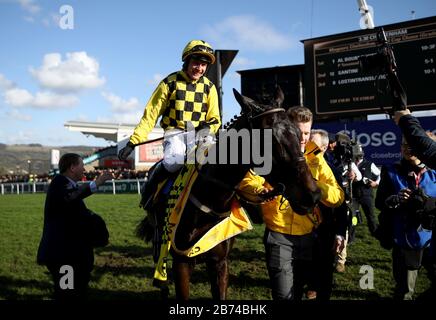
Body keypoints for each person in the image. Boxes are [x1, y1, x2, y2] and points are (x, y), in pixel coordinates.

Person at [238, 107, 344, 300]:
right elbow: (247, 180)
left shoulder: (316, 158)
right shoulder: (271, 154)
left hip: (311, 237)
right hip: (279, 237)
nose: (303, 138)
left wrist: (313, 185)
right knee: (284, 296)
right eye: (298, 132)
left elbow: (338, 196)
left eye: (306, 133)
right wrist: (261, 191)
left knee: (306, 293)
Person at [118, 40, 220, 202]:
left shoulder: (210, 87)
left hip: (201, 133)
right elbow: (150, 115)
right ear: (186, 61)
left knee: (215, 161)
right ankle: (151, 191)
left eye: (203, 65)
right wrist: (133, 142)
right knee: (174, 162)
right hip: (176, 132)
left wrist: (209, 126)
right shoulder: (169, 83)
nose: (199, 68)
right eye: (195, 63)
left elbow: (215, 118)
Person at [37, 153, 113, 300]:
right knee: (67, 294)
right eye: (81, 165)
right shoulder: (60, 183)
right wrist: (96, 183)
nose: (84, 169)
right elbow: (71, 196)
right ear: (72, 167)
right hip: (63, 256)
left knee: (75, 292)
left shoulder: (66, 184)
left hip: (70, 254)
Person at [375, 134, 435, 300]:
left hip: (431, 240)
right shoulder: (391, 170)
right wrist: (395, 199)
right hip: (405, 238)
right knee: (405, 292)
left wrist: (426, 202)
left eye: (413, 145)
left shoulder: (434, 171)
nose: (408, 148)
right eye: (404, 145)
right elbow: (380, 202)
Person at [306, 129, 348, 300]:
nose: (307, 145)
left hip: (325, 230)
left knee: (324, 272)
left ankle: (319, 289)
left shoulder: (333, 171)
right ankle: (311, 285)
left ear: (323, 148)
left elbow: (341, 205)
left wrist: (340, 233)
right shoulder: (298, 164)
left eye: (312, 143)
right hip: (301, 230)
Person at [351, 144, 381, 236]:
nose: (357, 157)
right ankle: (352, 234)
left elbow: (380, 175)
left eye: (358, 155)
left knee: (370, 216)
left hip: (366, 194)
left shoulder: (369, 164)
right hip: (354, 195)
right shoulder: (350, 164)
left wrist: (376, 183)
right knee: (353, 216)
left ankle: (375, 233)